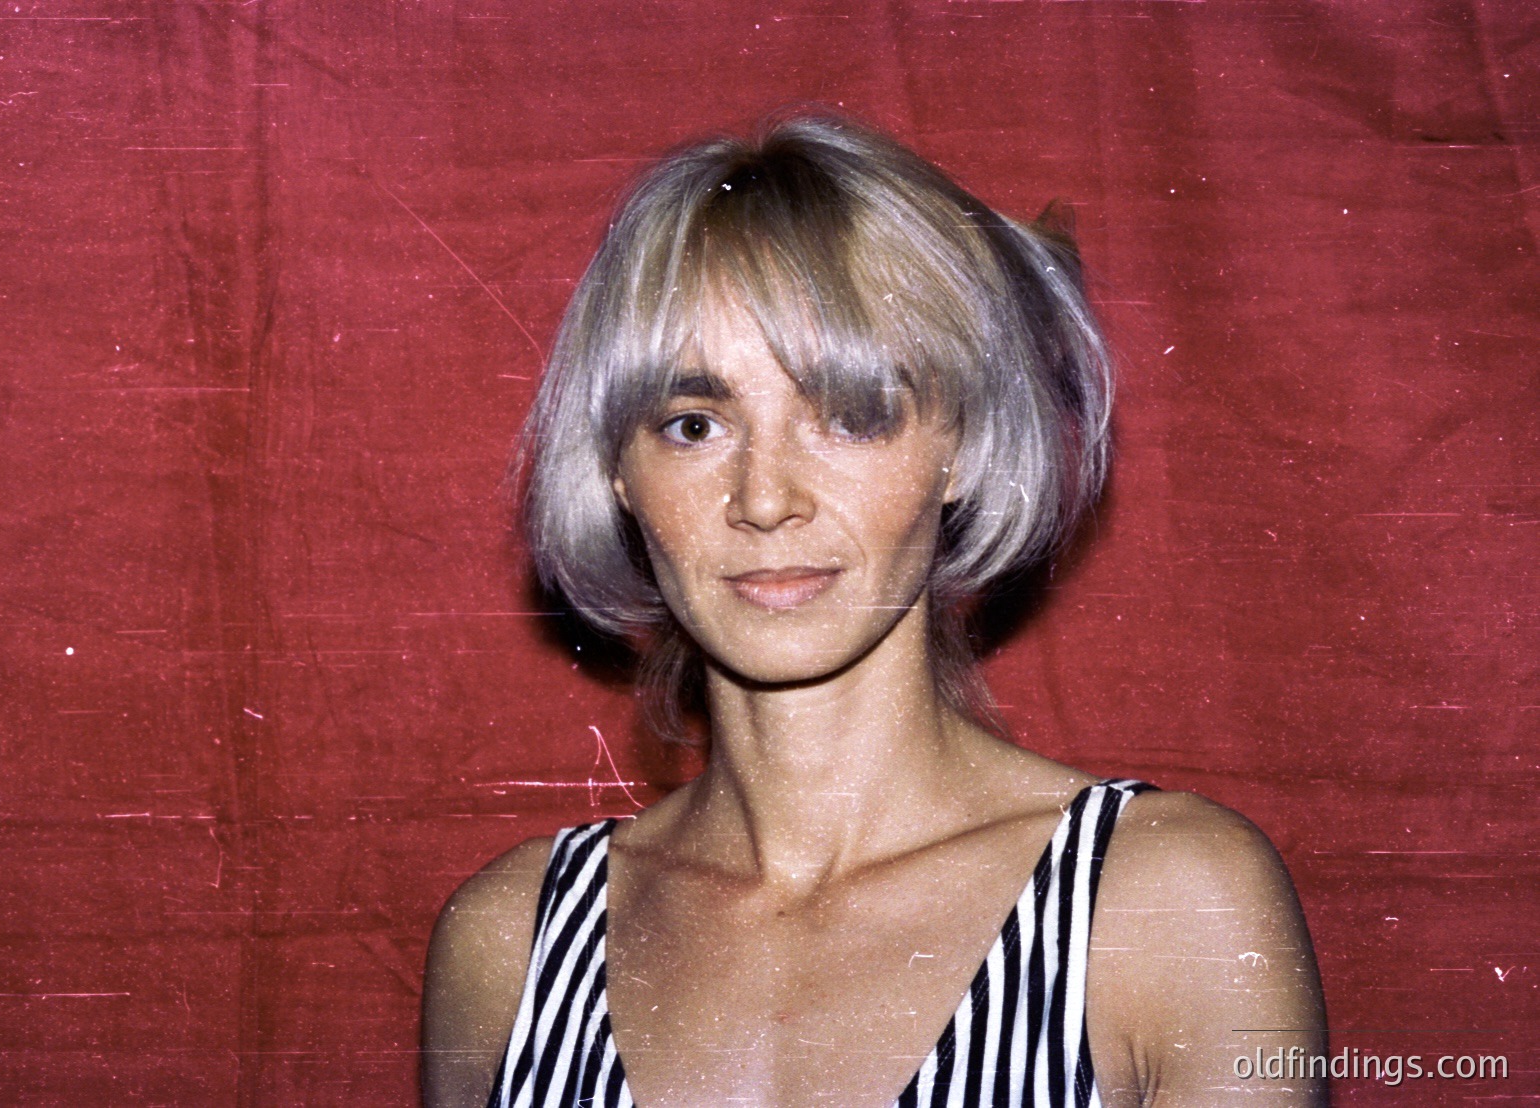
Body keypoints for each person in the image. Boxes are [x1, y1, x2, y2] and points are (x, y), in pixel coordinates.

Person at [422, 114, 1325, 1108]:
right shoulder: (510, 943)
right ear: (617, 475)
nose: (765, 499)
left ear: (962, 448)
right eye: (692, 425)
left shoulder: (1162, 903)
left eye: (849, 414)